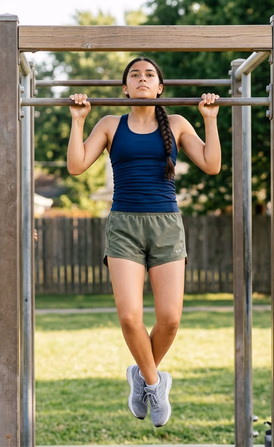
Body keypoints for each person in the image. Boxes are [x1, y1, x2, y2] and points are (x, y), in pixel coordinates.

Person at [66, 56, 221, 427]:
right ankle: (154, 381)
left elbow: (212, 164)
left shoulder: (179, 124)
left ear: (160, 87)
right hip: (124, 226)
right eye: (134, 75)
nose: (141, 78)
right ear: (124, 87)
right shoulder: (109, 124)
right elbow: (76, 165)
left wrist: (210, 120)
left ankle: (140, 376)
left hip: (167, 225)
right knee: (129, 315)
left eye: (149, 74)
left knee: (169, 319)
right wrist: (77, 121)